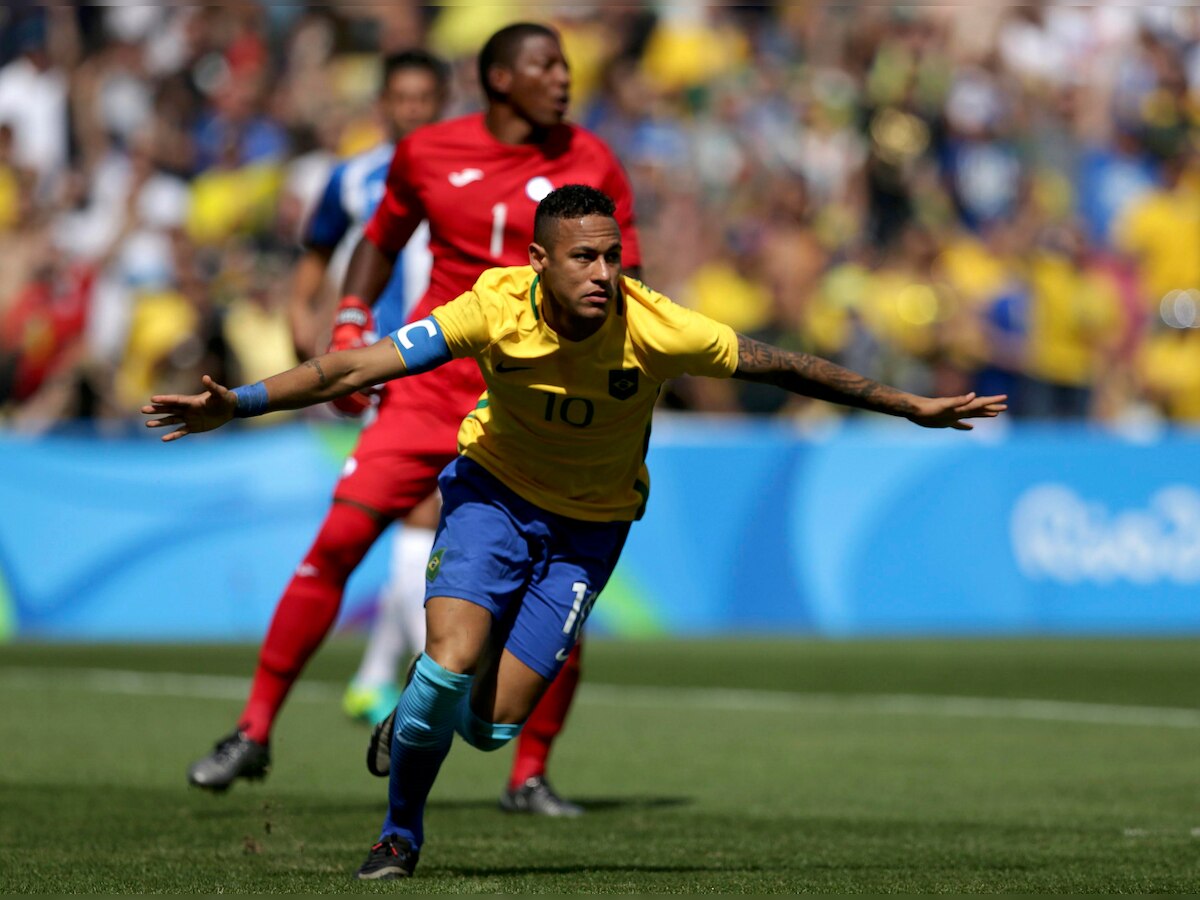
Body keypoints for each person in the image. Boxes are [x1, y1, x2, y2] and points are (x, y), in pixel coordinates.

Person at [143, 183, 1008, 879]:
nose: (603, 272)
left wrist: (908, 406)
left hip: (591, 530)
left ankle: (417, 719)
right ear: (538, 263)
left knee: (490, 726)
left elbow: (784, 365)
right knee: (444, 667)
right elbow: (357, 364)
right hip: (490, 498)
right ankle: (399, 837)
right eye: (584, 257)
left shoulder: (657, 324)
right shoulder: (492, 307)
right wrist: (244, 402)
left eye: (612, 255)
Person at [185, 23, 643, 820]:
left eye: (566, 65)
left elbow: (624, 277)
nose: (565, 79)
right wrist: (350, 317)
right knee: (336, 544)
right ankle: (253, 731)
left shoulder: (592, 161)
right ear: (499, 79)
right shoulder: (427, 151)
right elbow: (377, 239)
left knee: (556, 582)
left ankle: (527, 774)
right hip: (427, 389)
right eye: (546, 66)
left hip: (528, 405)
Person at [286, 49, 448, 728]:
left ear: (442, 101)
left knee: (431, 518)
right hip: (386, 365)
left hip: (449, 357)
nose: (412, 109)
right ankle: (428, 685)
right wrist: (314, 349)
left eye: (424, 98)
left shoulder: (463, 170)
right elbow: (312, 268)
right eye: (401, 97)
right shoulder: (351, 179)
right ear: (382, 101)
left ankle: (377, 675)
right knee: (426, 512)